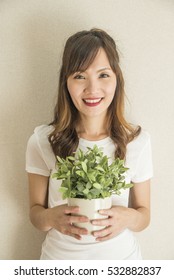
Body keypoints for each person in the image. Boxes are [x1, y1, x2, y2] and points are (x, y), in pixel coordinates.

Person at [26, 28, 153, 260]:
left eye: (103, 75)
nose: (92, 89)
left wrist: (128, 218)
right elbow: (35, 213)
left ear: (117, 79)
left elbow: (144, 215)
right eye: (79, 76)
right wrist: (50, 217)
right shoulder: (43, 140)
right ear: (66, 81)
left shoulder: (136, 141)